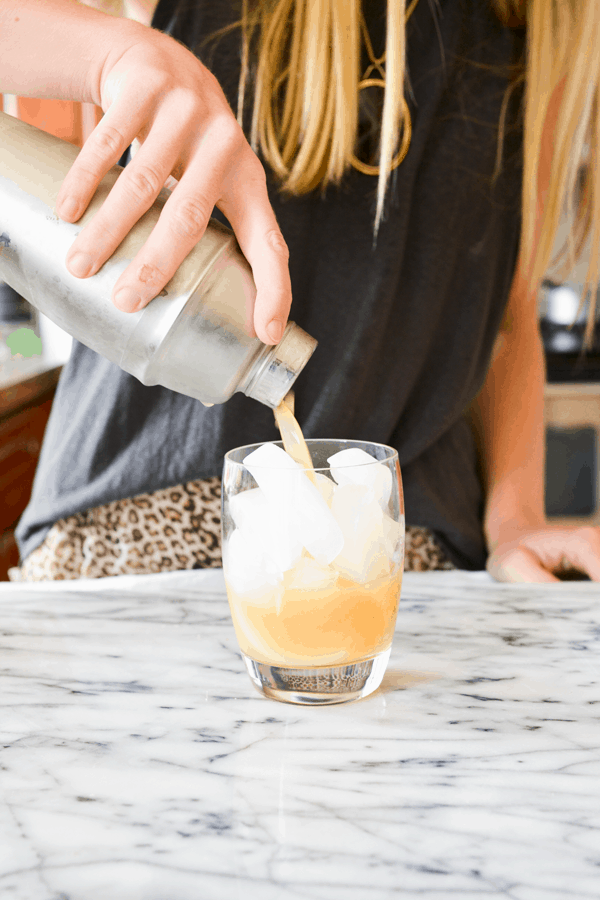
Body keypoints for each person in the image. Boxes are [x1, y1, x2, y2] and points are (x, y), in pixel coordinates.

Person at [2, 0, 600, 582]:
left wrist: (517, 520)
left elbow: (497, 310)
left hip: (402, 540)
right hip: (134, 526)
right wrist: (110, 53)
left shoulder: (539, 21)